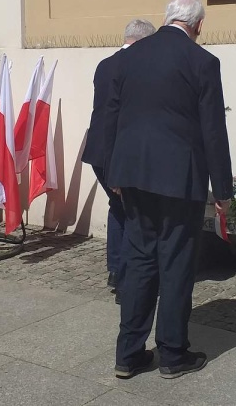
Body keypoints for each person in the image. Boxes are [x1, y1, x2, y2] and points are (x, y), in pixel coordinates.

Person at [102, 0, 232, 379]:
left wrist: (114, 175)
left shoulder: (129, 56)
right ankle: (173, 354)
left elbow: (111, 117)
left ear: (167, 18)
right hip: (179, 178)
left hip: (133, 175)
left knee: (140, 259)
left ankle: (128, 353)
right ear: (197, 25)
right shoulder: (202, 61)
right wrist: (223, 189)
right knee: (175, 263)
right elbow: (213, 128)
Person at [81, 18, 156, 304]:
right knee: (133, 213)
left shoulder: (105, 64)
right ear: (143, 41)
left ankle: (115, 267)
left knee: (119, 208)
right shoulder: (134, 67)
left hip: (98, 150)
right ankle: (126, 280)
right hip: (118, 152)